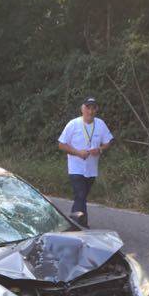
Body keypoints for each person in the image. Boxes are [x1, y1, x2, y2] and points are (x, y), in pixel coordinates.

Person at [58, 97, 113, 227]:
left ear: (96, 109)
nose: (90, 111)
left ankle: (71, 223)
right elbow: (61, 144)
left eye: (93, 108)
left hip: (92, 169)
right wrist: (78, 153)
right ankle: (81, 226)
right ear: (82, 109)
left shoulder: (100, 124)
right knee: (81, 195)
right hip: (76, 167)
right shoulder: (73, 124)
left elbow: (108, 141)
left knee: (80, 197)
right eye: (88, 107)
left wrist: (100, 149)